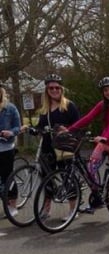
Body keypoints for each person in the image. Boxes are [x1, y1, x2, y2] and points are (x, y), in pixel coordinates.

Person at [66, 76, 109, 211]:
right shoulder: (103, 104)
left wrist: (104, 137)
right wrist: (69, 130)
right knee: (90, 170)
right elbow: (88, 117)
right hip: (104, 143)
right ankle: (97, 197)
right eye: (106, 90)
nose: (108, 92)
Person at [21, 74, 80, 220]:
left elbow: (78, 126)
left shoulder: (69, 106)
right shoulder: (44, 109)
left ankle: (73, 210)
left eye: (57, 87)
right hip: (48, 148)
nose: (54, 90)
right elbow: (40, 128)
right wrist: (30, 129)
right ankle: (46, 209)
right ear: (47, 90)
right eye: (51, 88)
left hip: (64, 147)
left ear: (61, 89)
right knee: (46, 179)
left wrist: (67, 130)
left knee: (67, 178)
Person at [0, 82, 21, 216]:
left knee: (7, 176)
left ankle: (13, 205)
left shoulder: (10, 108)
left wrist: (11, 132)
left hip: (6, 147)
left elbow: (17, 127)